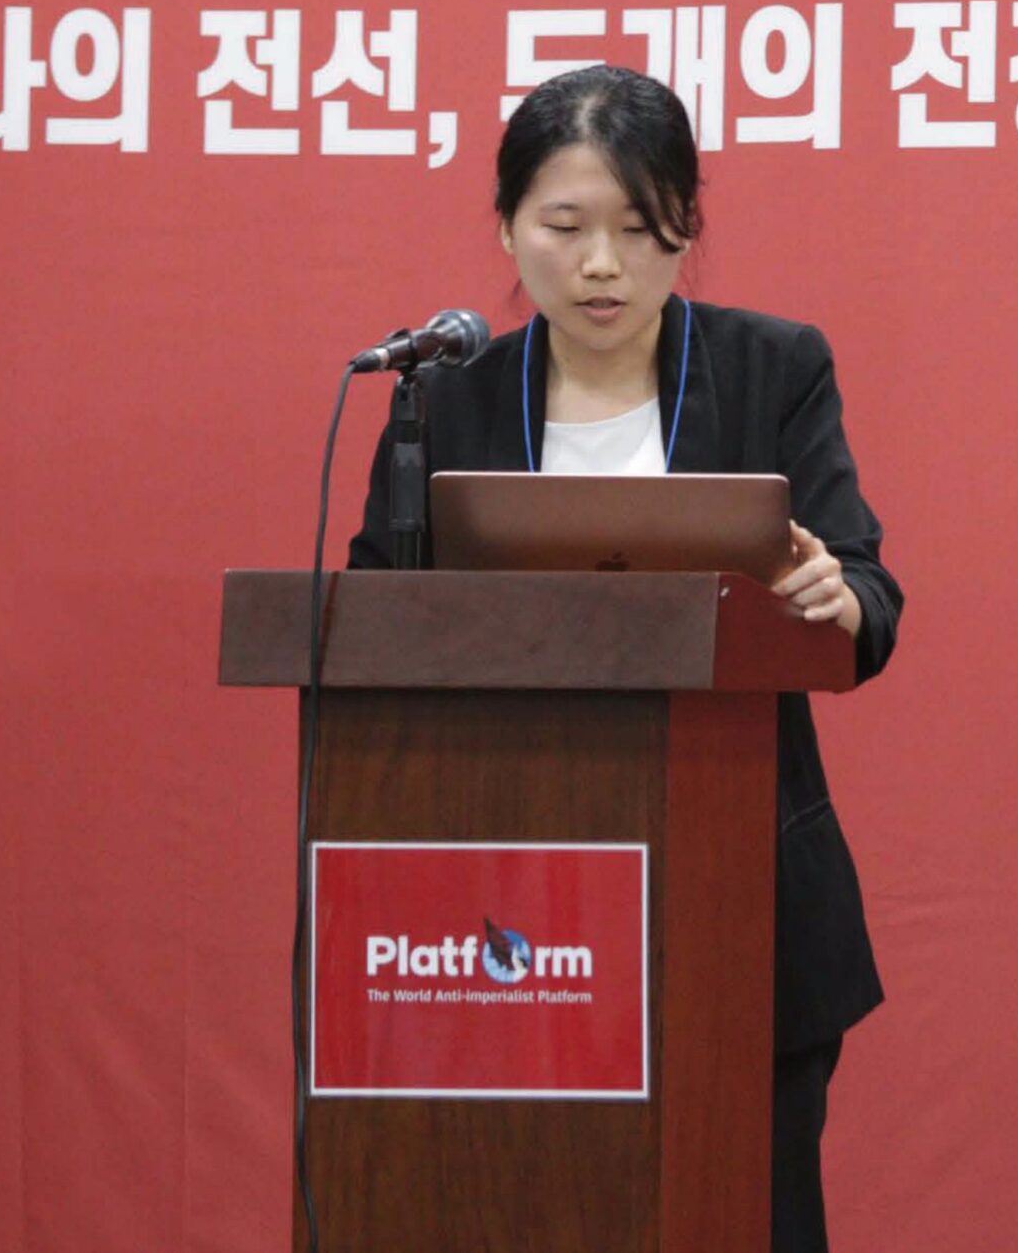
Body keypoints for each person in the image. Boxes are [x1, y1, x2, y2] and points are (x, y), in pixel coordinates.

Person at [346, 63, 901, 1252]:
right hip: (509, 907)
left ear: (686, 227)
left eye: (641, 230)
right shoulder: (447, 402)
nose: (603, 264)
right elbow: (374, 616)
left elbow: (866, 592)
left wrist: (833, 595)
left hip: (740, 896)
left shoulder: (772, 368)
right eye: (565, 226)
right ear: (507, 224)